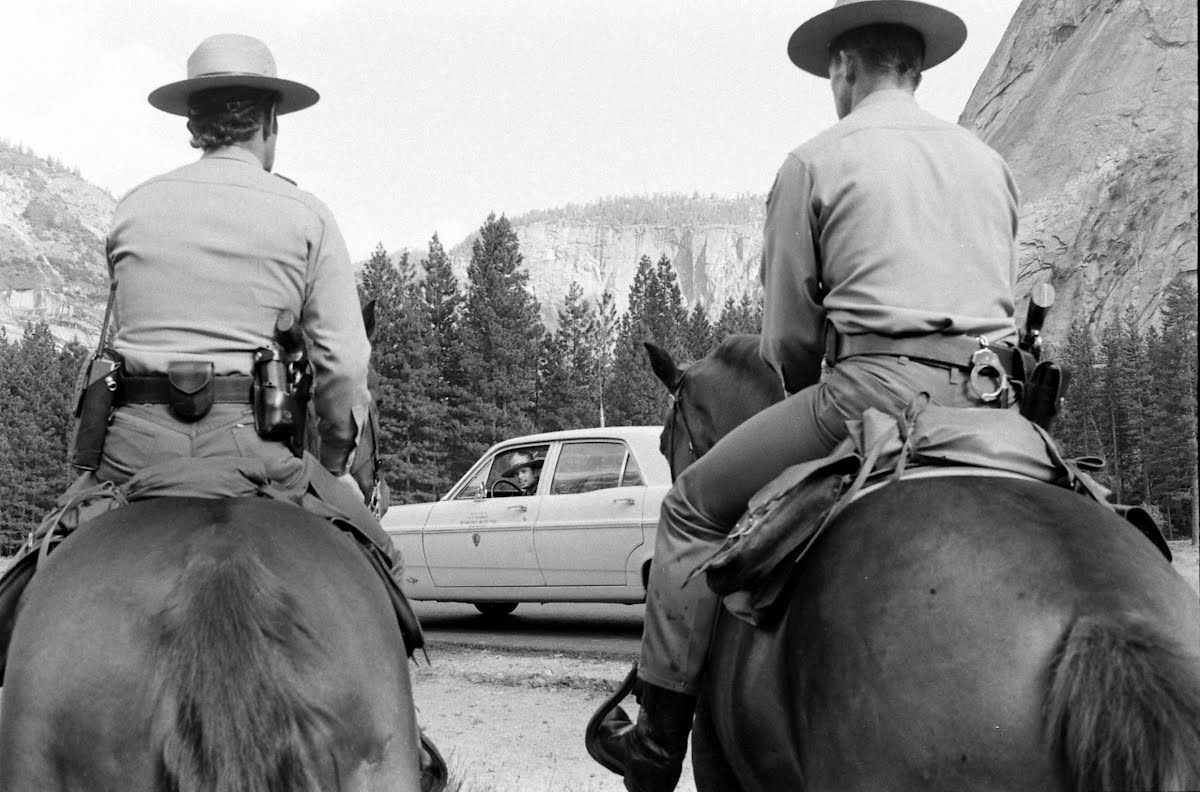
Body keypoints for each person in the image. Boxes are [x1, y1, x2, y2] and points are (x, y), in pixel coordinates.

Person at [588, 2, 1022, 791]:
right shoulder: (987, 162)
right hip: (994, 403)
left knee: (689, 506)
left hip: (870, 394)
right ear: (918, 70)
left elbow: (787, 339)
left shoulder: (815, 161)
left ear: (842, 69)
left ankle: (655, 734)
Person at [0, 33, 421, 679]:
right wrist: (335, 461)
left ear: (193, 123)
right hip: (257, 451)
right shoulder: (305, 212)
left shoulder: (135, 206)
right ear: (271, 121)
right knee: (379, 569)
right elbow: (343, 366)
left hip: (135, 453)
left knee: (29, 581)